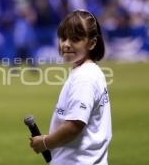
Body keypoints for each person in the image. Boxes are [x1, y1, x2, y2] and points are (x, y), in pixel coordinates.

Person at [29, 10, 112, 165]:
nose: (66, 44)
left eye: (75, 39)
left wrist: (45, 142)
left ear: (92, 43)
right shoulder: (91, 71)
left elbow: (74, 126)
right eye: (63, 38)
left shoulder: (84, 78)